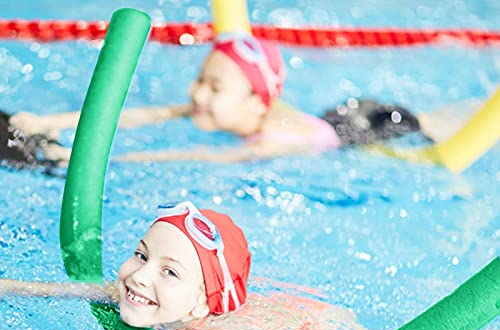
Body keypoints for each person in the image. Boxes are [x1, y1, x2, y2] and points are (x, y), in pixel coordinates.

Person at [3, 33, 481, 170]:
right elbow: (140, 116)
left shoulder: (267, 137)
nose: (196, 94)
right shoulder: (222, 108)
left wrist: (86, 158)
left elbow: (189, 154)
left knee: (435, 130)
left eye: (214, 87)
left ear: (256, 104)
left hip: (362, 128)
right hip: (335, 114)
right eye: (201, 79)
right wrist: (50, 120)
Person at [0, 200, 368, 330]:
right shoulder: (143, 290)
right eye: (141, 255)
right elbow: (61, 289)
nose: (140, 276)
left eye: (170, 272)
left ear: (200, 306)